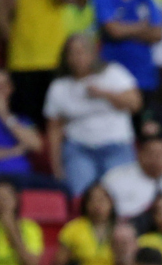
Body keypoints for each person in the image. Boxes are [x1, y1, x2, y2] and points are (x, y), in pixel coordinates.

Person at [45, 32, 140, 198]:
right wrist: (56, 167)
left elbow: (135, 103)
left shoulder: (112, 73)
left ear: (92, 54)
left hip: (116, 146)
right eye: (73, 53)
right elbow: (54, 130)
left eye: (82, 52)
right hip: (79, 149)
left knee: (120, 196)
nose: (78, 57)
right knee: (81, 196)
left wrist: (105, 93)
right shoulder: (59, 86)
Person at [0, 0, 75, 123]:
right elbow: (8, 6)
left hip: (55, 57)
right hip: (21, 58)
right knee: (26, 119)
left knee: (56, 121)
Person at [101, 129, 162, 221]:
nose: (157, 159)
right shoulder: (116, 178)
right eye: (152, 153)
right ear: (140, 154)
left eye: (161, 155)